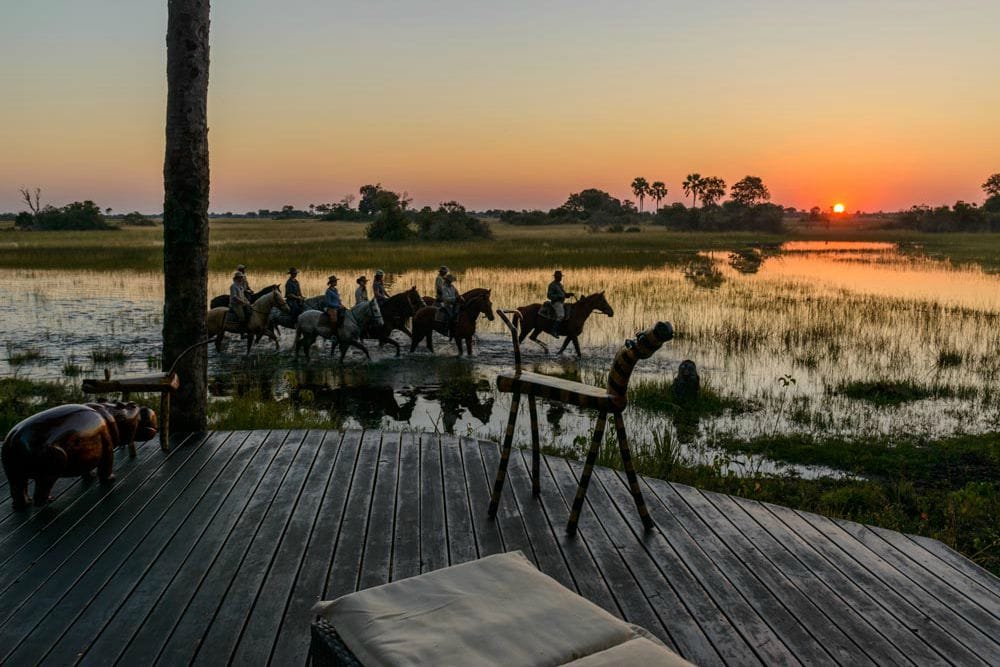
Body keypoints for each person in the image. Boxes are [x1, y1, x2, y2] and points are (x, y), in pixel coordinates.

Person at [547, 270, 575, 336]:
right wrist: (559, 296)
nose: (561, 278)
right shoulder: (552, 285)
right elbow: (549, 296)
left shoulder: (560, 285)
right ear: (556, 277)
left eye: (561, 277)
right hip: (556, 303)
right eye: (559, 277)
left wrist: (568, 294)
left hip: (561, 303)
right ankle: (553, 330)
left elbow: (564, 294)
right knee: (561, 315)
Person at [439, 273, 461, 337]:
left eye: (451, 280)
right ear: (447, 280)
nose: (451, 281)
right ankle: (446, 330)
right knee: (451, 316)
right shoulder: (444, 288)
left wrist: (459, 297)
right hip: (447, 305)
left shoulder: (452, 286)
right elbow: (445, 298)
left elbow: (457, 293)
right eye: (450, 280)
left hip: (454, 304)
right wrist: (455, 298)